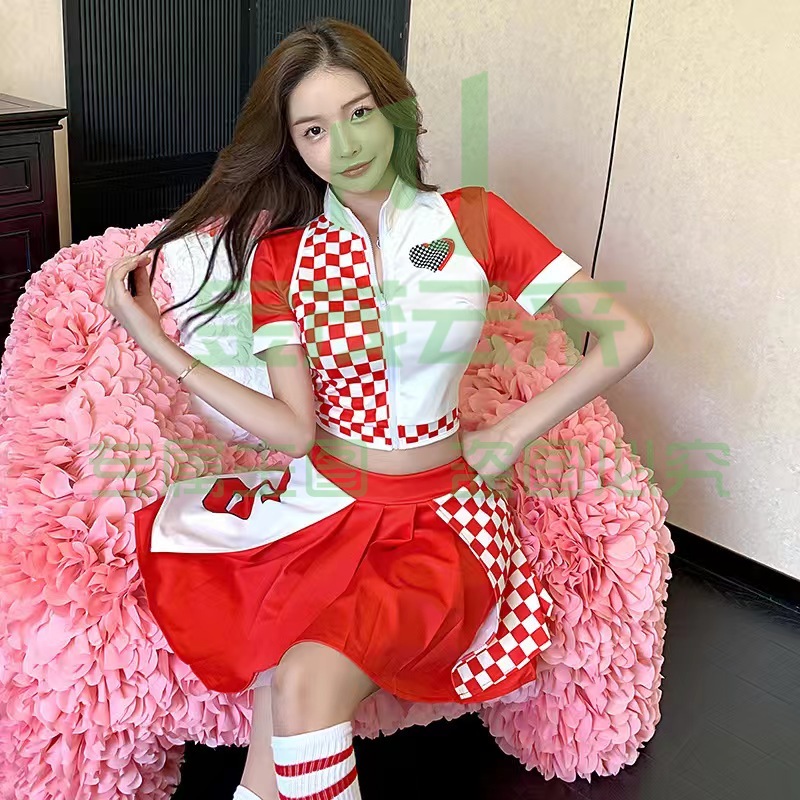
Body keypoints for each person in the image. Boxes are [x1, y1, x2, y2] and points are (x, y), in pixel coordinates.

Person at [101, 17, 654, 800]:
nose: (346, 144)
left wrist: (510, 433)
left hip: (440, 521)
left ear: (394, 108)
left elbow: (626, 333)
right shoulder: (283, 257)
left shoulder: (472, 221)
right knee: (278, 711)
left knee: (303, 680)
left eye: (359, 112)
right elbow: (293, 429)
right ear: (295, 147)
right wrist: (155, 344)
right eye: (314, 129)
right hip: (319, 508)